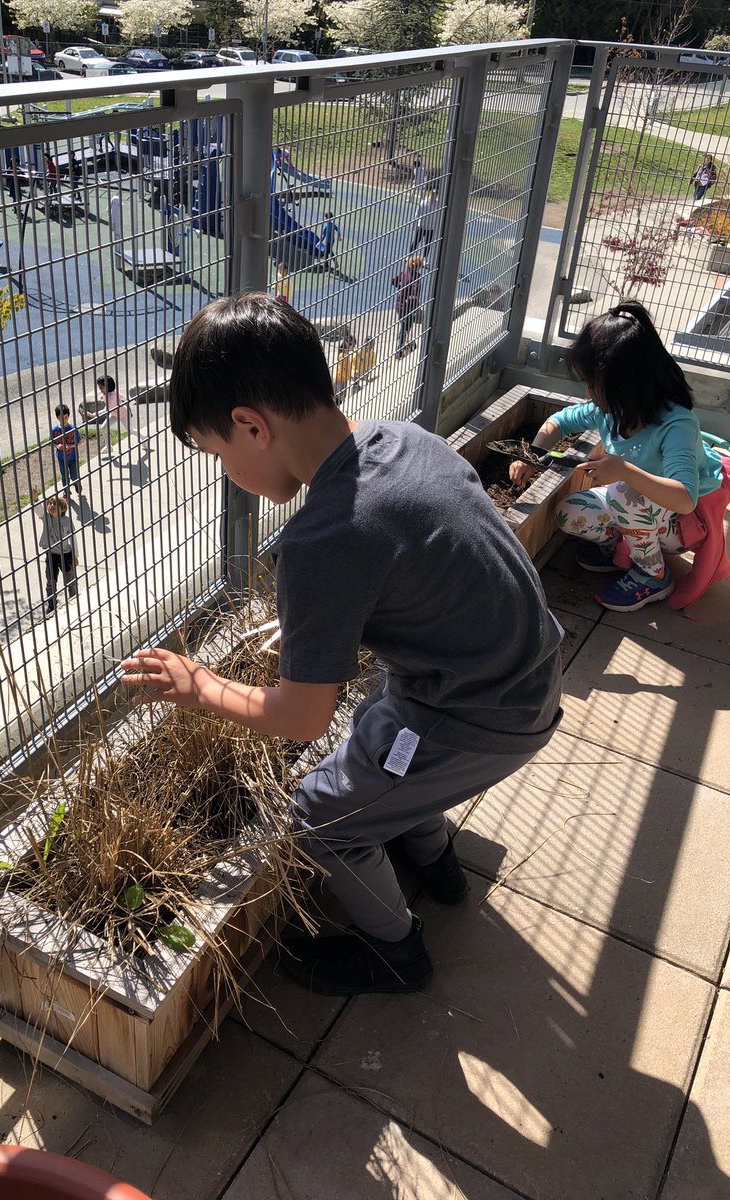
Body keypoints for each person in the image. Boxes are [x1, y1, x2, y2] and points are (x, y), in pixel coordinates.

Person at [120, 293, 563, 996]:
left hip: (483, 717)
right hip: (521, 673)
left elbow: (302, 719)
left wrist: (196, 685)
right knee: (379, 725)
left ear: (250, 425)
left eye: (217, 455)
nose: (226, 475)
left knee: (319, 816)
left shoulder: (322, 540)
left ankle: (396, 951)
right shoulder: (402, 439)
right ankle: (434, 861)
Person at [509, 301, 726, 612]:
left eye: (592, 385)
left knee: (626, 494)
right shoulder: (610, 412)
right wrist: (533, 454)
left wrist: (624, 470)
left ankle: (654, 576)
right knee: (569, 512)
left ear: (625, 383)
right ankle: (624, 548)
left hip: (682, 525)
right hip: (639, 511)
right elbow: (557, 422)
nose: (588, 394)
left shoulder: (676, 425)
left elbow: (685, 499)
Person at [32, 486, 78, 615]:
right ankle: (52, 605)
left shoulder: (67, 521)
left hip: (66, 555)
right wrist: (36, 498)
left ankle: (74, 600)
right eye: (49, 503)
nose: (50, 506)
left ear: (62, 509)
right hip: (52, 555)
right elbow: (38, 510)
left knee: (71, 580)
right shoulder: (46, 518)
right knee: (50, 581)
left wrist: (75, 555)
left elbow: (73, 537)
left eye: (54, 504)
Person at [392, 255, 424, 357]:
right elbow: (415, 295)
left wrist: (401, 288)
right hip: (408, 308)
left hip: (398, 304)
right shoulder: (416, 280)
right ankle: (399, 348)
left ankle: (401, 337)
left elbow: (393, 281)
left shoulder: (404, 274)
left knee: (403, 322)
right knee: (407, 326)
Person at [95, 373, 129, 461]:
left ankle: (144, 438)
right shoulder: (110, 394)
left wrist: (94, 414)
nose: (100, 390)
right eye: (100, 388)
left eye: (101, 388)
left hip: (122, 414)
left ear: (108, 386)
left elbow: (106, 409)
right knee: (104, 427)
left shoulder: (111, 397)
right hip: (114, 414)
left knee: (130, 430)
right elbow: (122, 396)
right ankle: (108, 446)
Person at [51, 404, 82, 494]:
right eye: (61, 417)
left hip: (73, 457)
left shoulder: (72, 428)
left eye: (65, 417)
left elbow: (79, 442)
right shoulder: (55, 430)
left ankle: (76, 483)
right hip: (61, 458)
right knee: (64, 475)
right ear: (57, 417)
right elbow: (52, 442)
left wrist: (71, 446)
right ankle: (66, 491)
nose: (63, 419)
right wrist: (57, 446)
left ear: (68, 416)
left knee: (74, 474)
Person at [410, 185, 438, 255]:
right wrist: (414, 225)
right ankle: (410, 255)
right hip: (422, 227)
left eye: (435, 194)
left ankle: (424, 259)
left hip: (431, 228)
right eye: (433, 193)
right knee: (415, 242)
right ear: (430, 193)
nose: (434, 196)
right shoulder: (423, 202)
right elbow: (417, 214)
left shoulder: (437, 205)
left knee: (427, 244)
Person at [334, 332, 358, 404]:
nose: (353, 347)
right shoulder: (342, 355)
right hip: (340, 379)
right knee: (339, 398)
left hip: (344, 379)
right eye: (352, 345)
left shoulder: (346, 354)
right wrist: (350, 377)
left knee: (342, 397)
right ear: (347, 344)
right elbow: (343, 370)